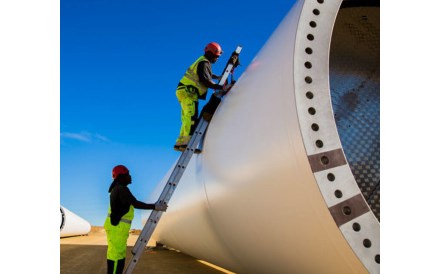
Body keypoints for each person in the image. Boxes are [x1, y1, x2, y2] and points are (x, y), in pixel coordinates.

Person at [104, 165, 167, 274]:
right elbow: (135, 203)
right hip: (117, 227)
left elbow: (131, 203)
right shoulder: (121, 189)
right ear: (121, 176)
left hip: (117, 227)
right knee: (116, 256)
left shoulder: (118, 188)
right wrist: (155, 206)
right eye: (128, 174)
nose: (130, 176)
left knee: (115, 254)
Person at [174, 42, 232, 152]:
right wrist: (219, 88)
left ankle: (180, 143)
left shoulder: (202, 61)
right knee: (191, 118)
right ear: (212, 54)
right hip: (188, 91)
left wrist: (217, 77)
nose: (217, 59)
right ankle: (186, 145)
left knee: (186, 117)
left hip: (184, 90)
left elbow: (206, 75)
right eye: (217, 56)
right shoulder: (204, 63)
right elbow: (205, 80)